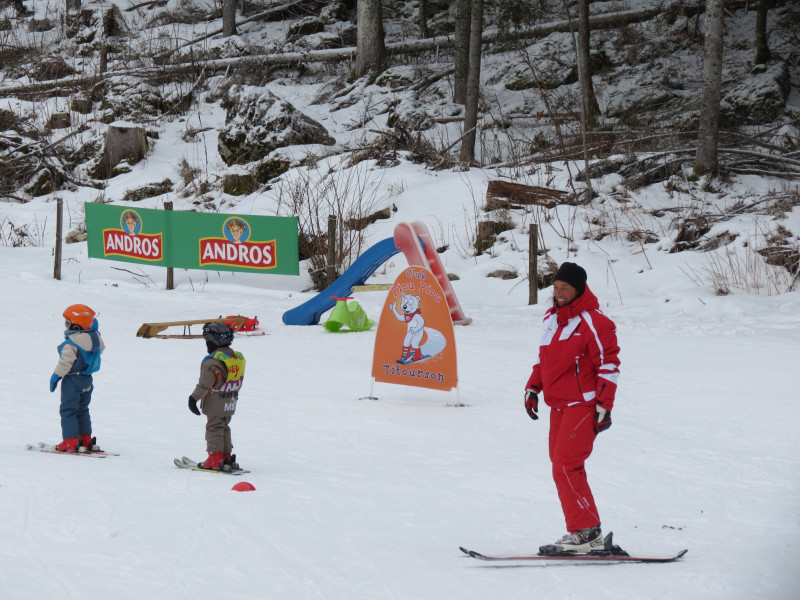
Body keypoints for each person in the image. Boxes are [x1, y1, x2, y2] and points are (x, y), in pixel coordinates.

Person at [524, 262, 620, 555]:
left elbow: (609, 364)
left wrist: (604, 405)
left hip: (583, 404)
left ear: (578, 289)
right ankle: (584, 530)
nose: (559, 292)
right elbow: (545, 358)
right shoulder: (551, 317)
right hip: (559, 405)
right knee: (560, 466)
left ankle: (587, 532)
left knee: (567, 465)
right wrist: (533, 387)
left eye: (565, 287)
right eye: (555, 287)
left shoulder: (595, 322)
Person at [188, 322, 245, 471]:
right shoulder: (234, 358)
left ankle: (215, 457)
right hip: (230, 400)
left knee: (214, 427)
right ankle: (226, 455)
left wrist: (193, 399)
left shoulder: (213, 362)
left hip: (215, 401)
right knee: (224, 427)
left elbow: (205, 384)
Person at [50, 304, 105, 452]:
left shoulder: (72, 344)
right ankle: (86, 439)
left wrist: (56, 376)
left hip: (73, 381)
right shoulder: (95, 340)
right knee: (82, 410)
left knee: (68, 410)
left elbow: (65, 363)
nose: (66, 326)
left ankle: (69, 440)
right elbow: (100, 347)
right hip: (87, 381)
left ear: (76, 326)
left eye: (68, 323)